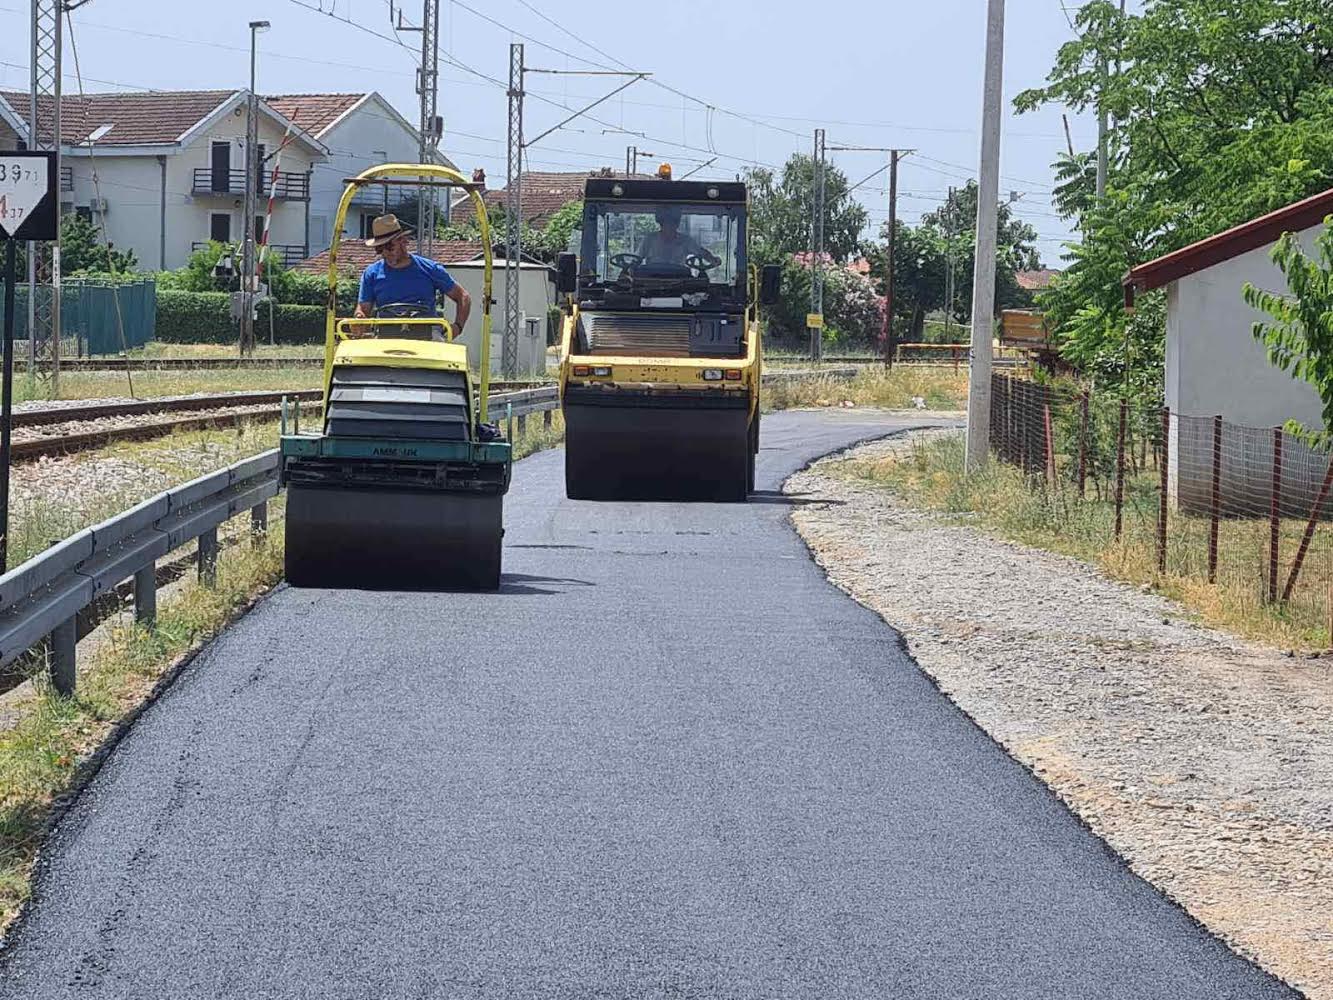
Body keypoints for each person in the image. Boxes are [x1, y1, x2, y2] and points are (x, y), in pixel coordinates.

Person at [354, 214, 470, 340]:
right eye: (380, 249)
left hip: (427, 333)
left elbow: (463, 297)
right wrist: (359, 318)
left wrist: (457, 326)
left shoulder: (429, 269)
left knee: (439, 351)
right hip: (386, 333)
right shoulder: (372, 273)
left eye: (389, 247)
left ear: (403, 242)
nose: (385, 253)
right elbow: (364, 309)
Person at [637, 206, 718, 269]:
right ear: (661, 223)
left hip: (679, 280)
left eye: (673, 222)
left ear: (677, 224)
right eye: (666, 222)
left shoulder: (686, 241)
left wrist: (712, 260)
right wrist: (631, 270)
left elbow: (701, 252)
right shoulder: (649, 239)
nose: (669, 226)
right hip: (651, 280)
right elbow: (637, 259)